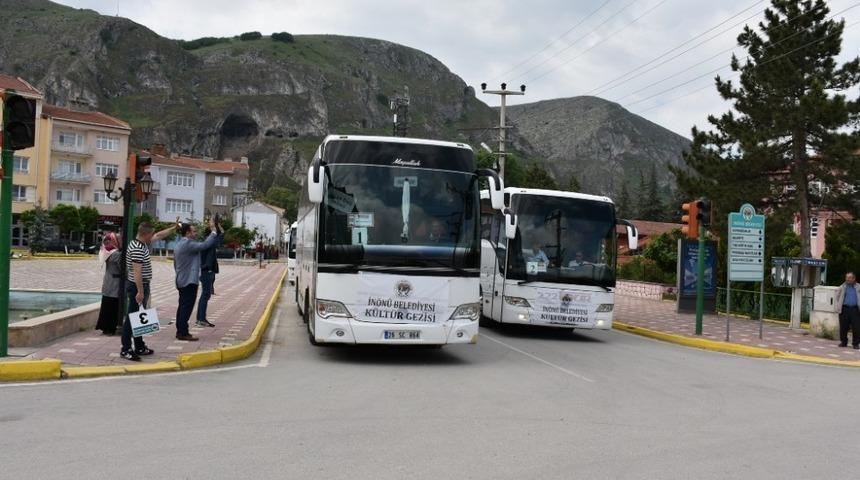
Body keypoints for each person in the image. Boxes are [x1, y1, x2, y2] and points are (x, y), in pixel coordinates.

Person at [122, 221, 178, 361]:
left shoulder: (142, 243)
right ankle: (126, 349)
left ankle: (139, 346)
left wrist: (174, 228)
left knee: (139, 316)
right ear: (145, 234)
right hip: (136, 286)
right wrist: (140, 292)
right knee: (131, 318)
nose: (153, 236)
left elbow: (159, 235)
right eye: (151, 234)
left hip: (142, 285)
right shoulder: (136, 248)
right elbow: (137, 272)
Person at [173, 218, 221, 341]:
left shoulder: (179, 243)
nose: (196, 233)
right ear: (187, 233)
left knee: (182, 306)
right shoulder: (188, 244)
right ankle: (183, 332)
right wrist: (214, 231)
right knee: (186, 307)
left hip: (181, 279)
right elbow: (205, 245)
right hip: (188, 281)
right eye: (194, 231)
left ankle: (180, 330)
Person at [196, 219, 225, 328]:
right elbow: (218, 237)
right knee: (205, 295)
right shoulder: (207, 242)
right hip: (206, 271)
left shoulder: (209, 241)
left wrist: (218, 225)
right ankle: (201, 319)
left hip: (208, 270)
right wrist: (213, 226)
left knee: (205, 295)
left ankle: (200, 318)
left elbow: (221, 236)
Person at [95, 232, 122, 335]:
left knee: (106, 305)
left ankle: (104, 327)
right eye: (118, 239)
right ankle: (110, 328)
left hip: (108, 281)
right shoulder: (116, 253)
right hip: (115, 282)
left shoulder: (105, 251)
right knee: (113, 306)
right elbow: (122, 269)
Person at [837, 272, 860, 349]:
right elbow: (837, 297)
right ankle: (843, 342)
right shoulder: (842, 287)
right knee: (843, 327)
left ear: (854, 278)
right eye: (847, 277)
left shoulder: (858, 287)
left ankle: (855, 343)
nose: (847, 279)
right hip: (844, 309)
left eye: (850, 278)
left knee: (856, 327)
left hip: (855, 309)